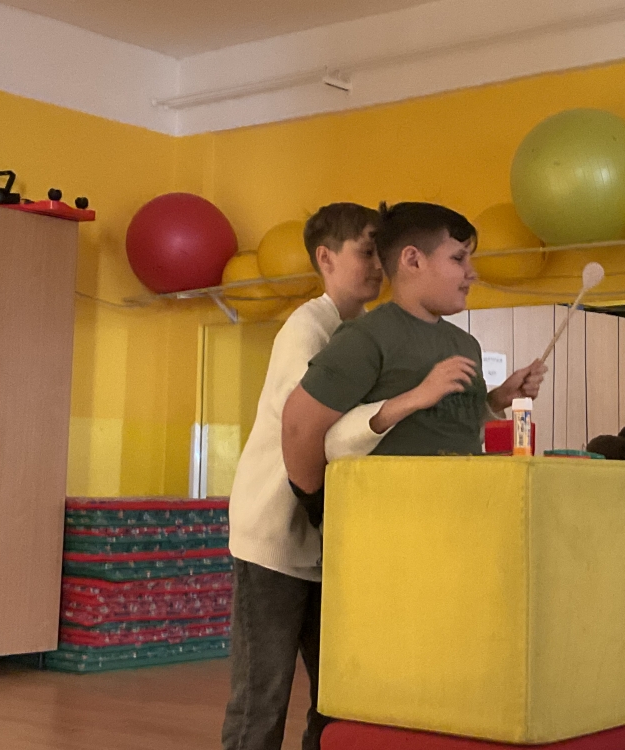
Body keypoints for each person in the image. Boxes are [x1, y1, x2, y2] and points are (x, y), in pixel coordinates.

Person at [222, 202, 469, 750]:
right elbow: (308, 429)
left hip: (330, 537)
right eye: (365, 252)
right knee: (263, 693)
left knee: (336, 692)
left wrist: (491, 400)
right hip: (276, 534)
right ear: (326, 258)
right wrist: (413, 398)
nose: (378, 265)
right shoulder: (307, 329)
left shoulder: (362, 330)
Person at [281, 201, 548, 504]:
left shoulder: (466, 344)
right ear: (413, 260)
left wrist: (498, 399)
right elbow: (298, 426)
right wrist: (320, 507)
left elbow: (454, 431)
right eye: (458, 258)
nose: (471, 273)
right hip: (389, 520)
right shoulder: (366, 338)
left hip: (460, 512)